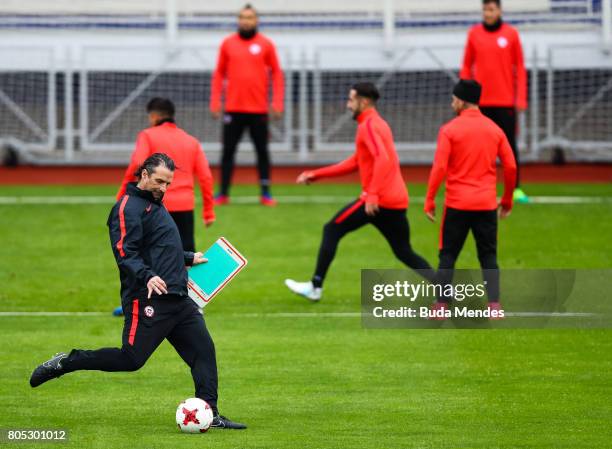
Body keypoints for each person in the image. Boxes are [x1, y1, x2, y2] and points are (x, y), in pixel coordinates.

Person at [29, 154, 246, 429]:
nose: (164, 188)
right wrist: (148, 276)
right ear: (143, 174)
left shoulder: (155, 204)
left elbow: (157, 248)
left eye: (168, 183)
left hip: (179, 299)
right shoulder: (127, 208)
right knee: (131, 359)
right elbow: (125, 252)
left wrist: (189, 257)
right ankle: (66, 362)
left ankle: (209, 412)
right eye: (159, 181)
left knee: (204, 351)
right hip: (147, 298)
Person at [284, 83, 435, 302]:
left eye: (351, 99)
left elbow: (382, 159)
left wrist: (372, 194)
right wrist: (317, 174)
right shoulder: (377, 123)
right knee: (404, 252)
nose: (348, 104)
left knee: (332, 229)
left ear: (363, 102)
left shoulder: (369, 126)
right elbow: (357, 161)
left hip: (378, 200)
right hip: (395, 201)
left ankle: (315, 286)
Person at [112, 97, 215, 316]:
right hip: (185, 205)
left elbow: (136, 164)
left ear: (154, 116)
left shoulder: (148, 135)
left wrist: (123, 194)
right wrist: (208, 210)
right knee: (183, 257)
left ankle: (138, 300)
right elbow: (206, 176)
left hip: (156, 205)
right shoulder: (191, 140)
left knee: (146, 252)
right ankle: (191, 303)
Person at [424, 80, 516, 315]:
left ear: (462, 101)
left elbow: (439, 167)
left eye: (454, 99)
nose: (451, 103)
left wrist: (430, 199)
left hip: (457, 204)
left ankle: (442, 305)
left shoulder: (449, 130)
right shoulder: (494, 129)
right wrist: (506, 200)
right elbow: (511, 167)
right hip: (485, 204)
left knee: (447, 254)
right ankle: (494, 305)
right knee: (488, 255)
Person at [210, 3, 284, 207]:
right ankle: (223, 193)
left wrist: (277, 102)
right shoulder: (228, 44)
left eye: (250, 17)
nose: (246, 21)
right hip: (233, 109)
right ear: (238, 20)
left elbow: (277, 74)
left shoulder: (266, 44)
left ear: (256, 20)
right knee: (227, 152)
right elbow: (219, 74)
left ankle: (266, 192)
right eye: (243, 17)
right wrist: (215, 101)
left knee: (262, 151)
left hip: (258, 110)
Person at [460, 0, 528, 203]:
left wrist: (521, 98)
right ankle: (478, 188)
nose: (488, 14)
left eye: (491, 9)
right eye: (485, 10)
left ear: (499, 10)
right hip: (479, 104)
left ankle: (515, 189)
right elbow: (466, 66)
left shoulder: (511, 34)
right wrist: (464, 97)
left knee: (509, 147)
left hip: (505, 102)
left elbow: (521, 68)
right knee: (478, 148)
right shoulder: (474, 34)